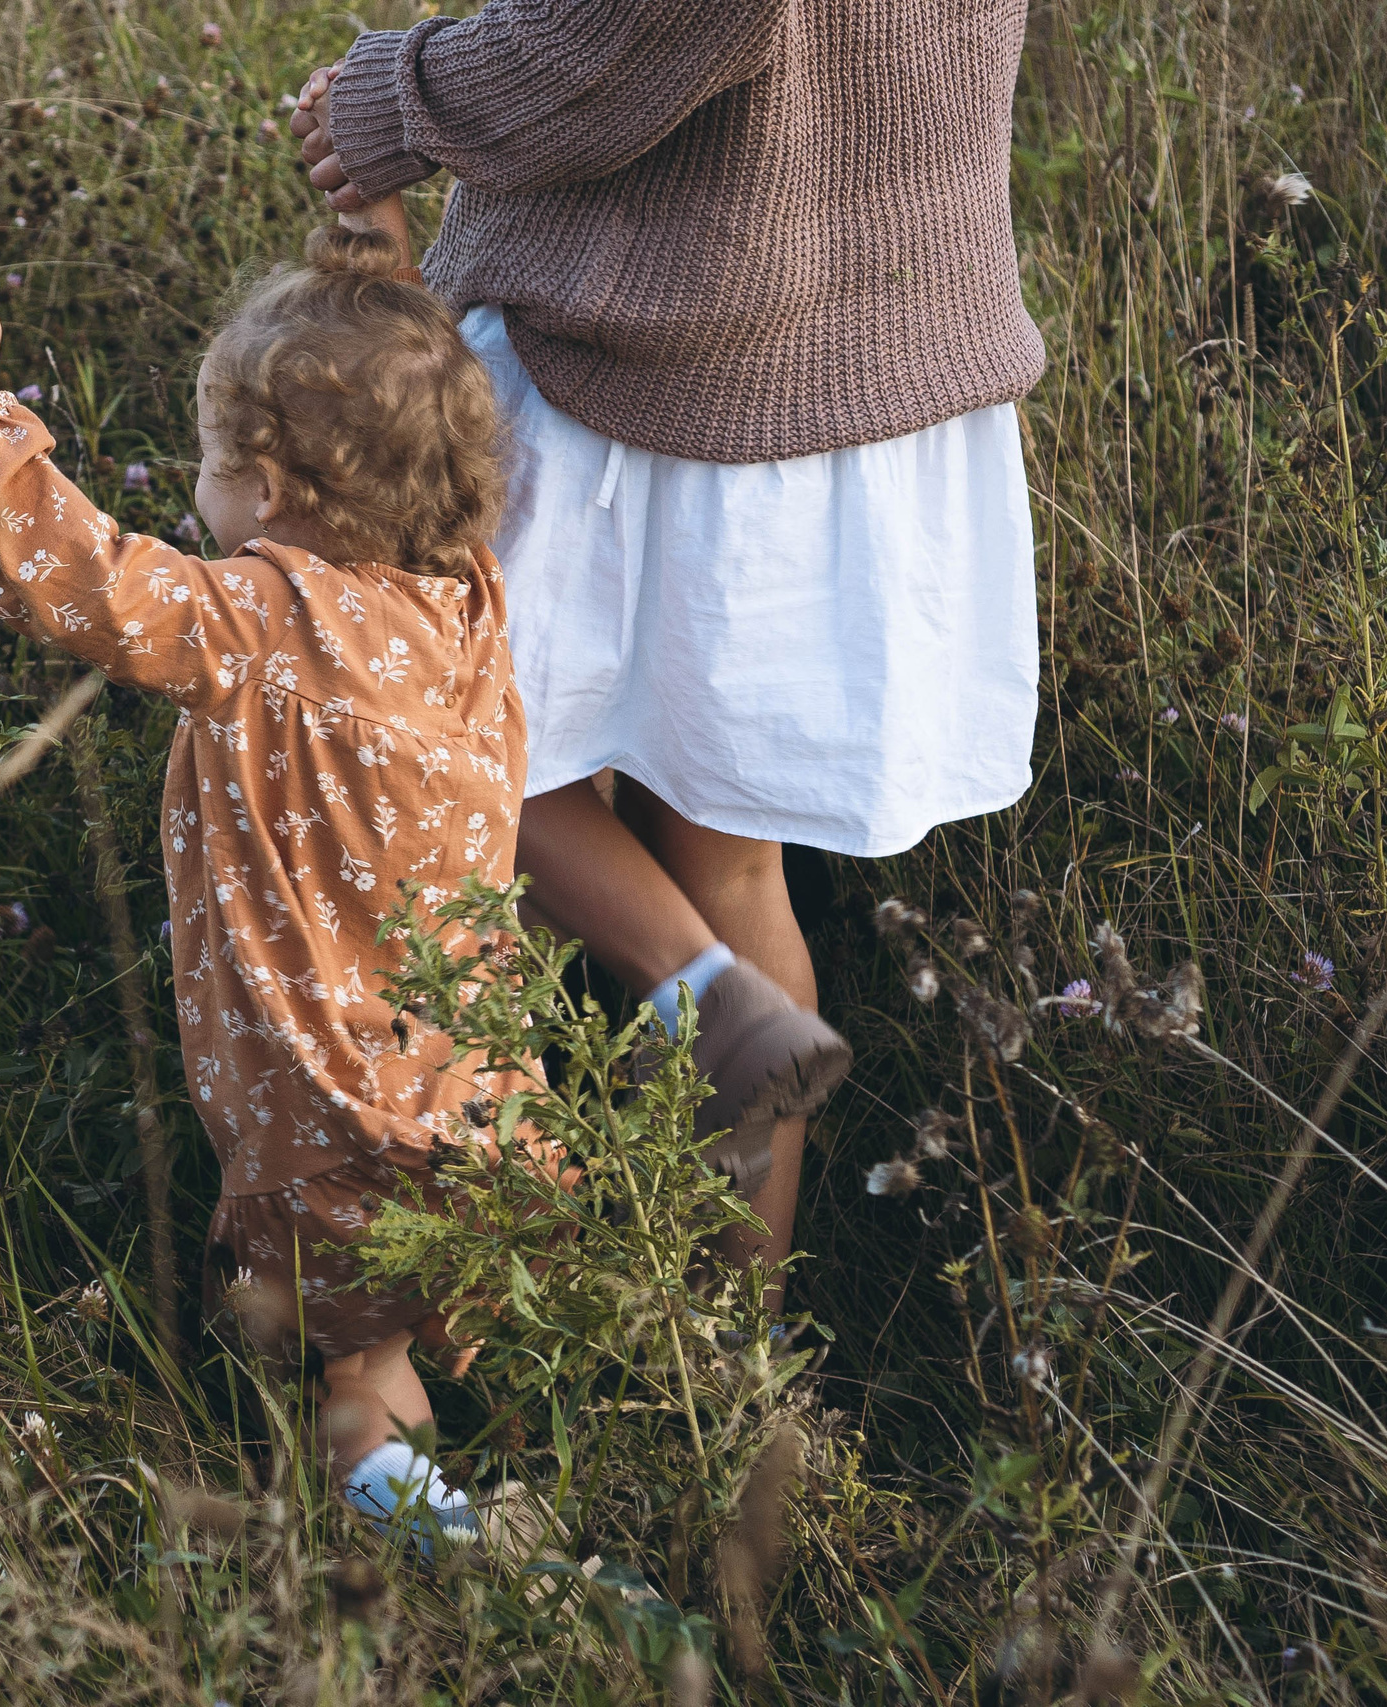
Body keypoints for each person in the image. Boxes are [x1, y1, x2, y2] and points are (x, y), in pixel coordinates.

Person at [289, 1, 1045, 1296]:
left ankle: (687, 1002)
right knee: (726, 865)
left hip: (667, 375)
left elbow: (635, 34)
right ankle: (725, 1360)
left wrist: (398, 99)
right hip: (854, 347)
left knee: (413, 715)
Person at [0, 219, 525, 1550]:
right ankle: (511, 1488)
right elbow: (405, 415)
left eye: (207, 463)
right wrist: (389, 307)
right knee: (407, 1334)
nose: (196, 489)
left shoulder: (264, 625)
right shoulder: (466, 608)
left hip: (334, 1117)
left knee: (356, 1387)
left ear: (273, 488)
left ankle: (474, 1574)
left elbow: (77, 579)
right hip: (473, 1096)